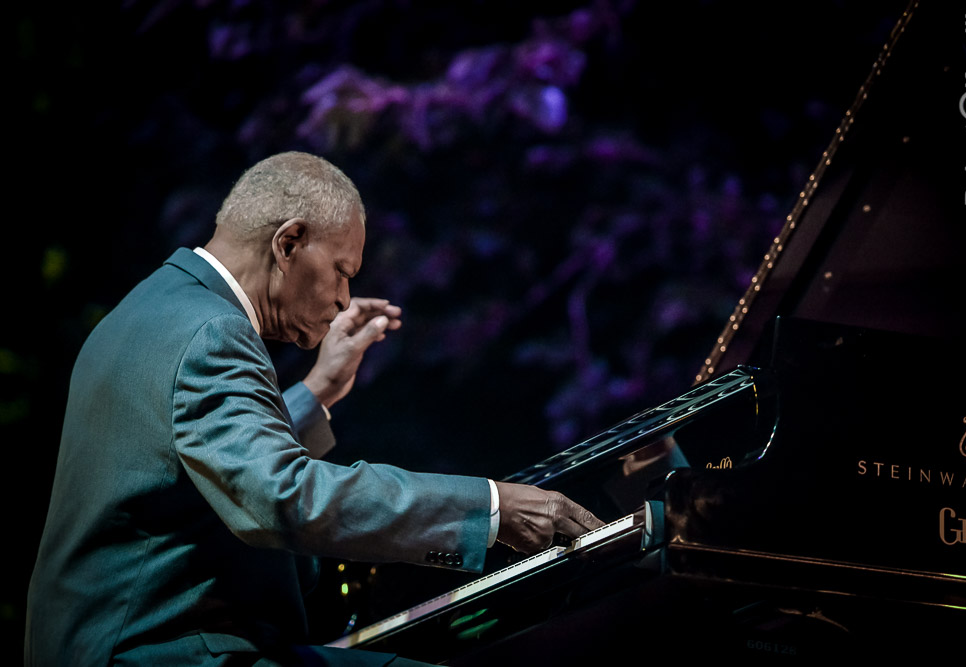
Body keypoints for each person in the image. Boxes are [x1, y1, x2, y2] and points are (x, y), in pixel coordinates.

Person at [25, 151, 602, 666]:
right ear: (288, 243)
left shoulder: (153, 308)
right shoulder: (213, 332)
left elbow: (197, 460)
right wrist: (491, 505)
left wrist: (319, 388)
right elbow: (281, 497)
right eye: (343, 271)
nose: (345, 297)